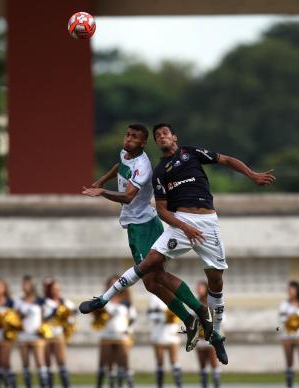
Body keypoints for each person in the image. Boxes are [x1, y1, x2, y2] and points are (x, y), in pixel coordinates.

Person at [80, 122, 276, 365]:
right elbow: (144, 192)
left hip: (195, 223)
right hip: (180, 223)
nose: (161, 137)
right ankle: (107, 300)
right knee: (151, 278)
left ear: (174, 137)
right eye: (157, 135)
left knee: (211, 280)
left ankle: (214, 331)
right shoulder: (160, 170)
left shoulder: (183, 156)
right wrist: (100, 182)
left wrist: (253, 175)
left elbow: (224, 160)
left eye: (165, 133)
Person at [81, 123, 211, 353]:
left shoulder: (143, 165)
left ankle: (198, 310)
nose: (128, 139)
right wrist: (102, 180)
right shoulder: (126, 153)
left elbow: (129, 197)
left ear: (143, 143)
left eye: (134, 137)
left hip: (145, 225)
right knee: (151, 283)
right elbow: (118, 166)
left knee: (156, 275)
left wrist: (102, 192)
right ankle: (189, 320)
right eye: (127, 135)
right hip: (134, 226)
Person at [94, 275, 137, 388]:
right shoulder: (102, 300)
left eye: (116, 284)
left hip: (121, 336)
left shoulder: (126, 302)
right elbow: (96, 318)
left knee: (124, 361)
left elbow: (133, 318)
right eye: (111, 284)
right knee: (105, 362)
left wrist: (129, 331)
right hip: (106, 335)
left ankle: (130, 386)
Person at [15, 275, 49, 388]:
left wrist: (43, 328)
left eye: (26, 284)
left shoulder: (40, 300)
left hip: (36, 336)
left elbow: (47, 314)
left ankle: (44, 387)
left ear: (31, 286)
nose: (24, 286)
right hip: (23, 335)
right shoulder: (19, 301)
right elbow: (15, 317)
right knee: (25, 363)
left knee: (40, 362)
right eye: (23, 284)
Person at [42, 279, 76, 388]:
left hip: (58, 334)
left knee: (61, 360)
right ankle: (48, 387)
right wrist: (54, 312)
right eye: (54, 289)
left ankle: (66, 387)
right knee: (47, 362)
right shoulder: (44, 302)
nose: (57, 291)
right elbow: (44, 318)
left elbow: (74, 310)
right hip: (46, 335)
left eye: (58, 289)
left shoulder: (63, 302)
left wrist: (67, 316)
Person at [147, 293, 183, 388]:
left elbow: (180, 312)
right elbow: (149, 314)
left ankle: (178, 387)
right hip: (158, 333)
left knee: (174, 360)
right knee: (159, 361)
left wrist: (171, 316)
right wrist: (162, 317)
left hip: (172, 332)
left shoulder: (175, 295)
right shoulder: (154, 297)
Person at [194, 281, 222, 388]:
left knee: (213, 362)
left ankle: (217, 386)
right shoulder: (195, 303)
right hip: (200, 338)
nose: (199, 290)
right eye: (198, 288)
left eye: (201, 287)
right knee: (202, 363)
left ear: (206, 289)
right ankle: (204, 386)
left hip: (211, 337)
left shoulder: (212, 303)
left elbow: (220, 317)